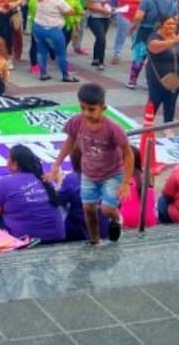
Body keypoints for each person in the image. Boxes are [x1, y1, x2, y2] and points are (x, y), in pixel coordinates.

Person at [49, 83, 134, 246]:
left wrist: (125, 182)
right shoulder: (76, 122)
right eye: (83, 108)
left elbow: (128, 153)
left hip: (112, 173)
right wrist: (57, 163)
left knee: (106, 209)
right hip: (89, 173)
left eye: (91, 109)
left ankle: (116, 219)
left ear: (103, 108)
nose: (86, 113)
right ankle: (94, 240)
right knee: (88, 208)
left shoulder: (113, 128)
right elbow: (70, 141)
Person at [0, 145, 65, 243]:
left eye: (8, 158)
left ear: (15, 164)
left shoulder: (5, 182)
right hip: (57, 236)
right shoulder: (44, 179)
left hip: (27, 240)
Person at [145, 15, 179, 126]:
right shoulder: (154, 36)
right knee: (154, 99)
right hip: (157, 77)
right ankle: (147, 124)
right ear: (161, 24)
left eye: (173, 24)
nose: (171, 26)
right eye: (168, 24)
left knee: (171, 101)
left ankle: (168, 125)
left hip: (177, 77)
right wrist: (173, 41)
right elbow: (154, 47)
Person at [32, 0, 79, 82]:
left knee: (41, 51)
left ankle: (43, 73)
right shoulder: (58, 0)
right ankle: (66, 75)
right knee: (61, 53)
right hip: (53, 30)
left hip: (38, 28)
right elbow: (70, 11)